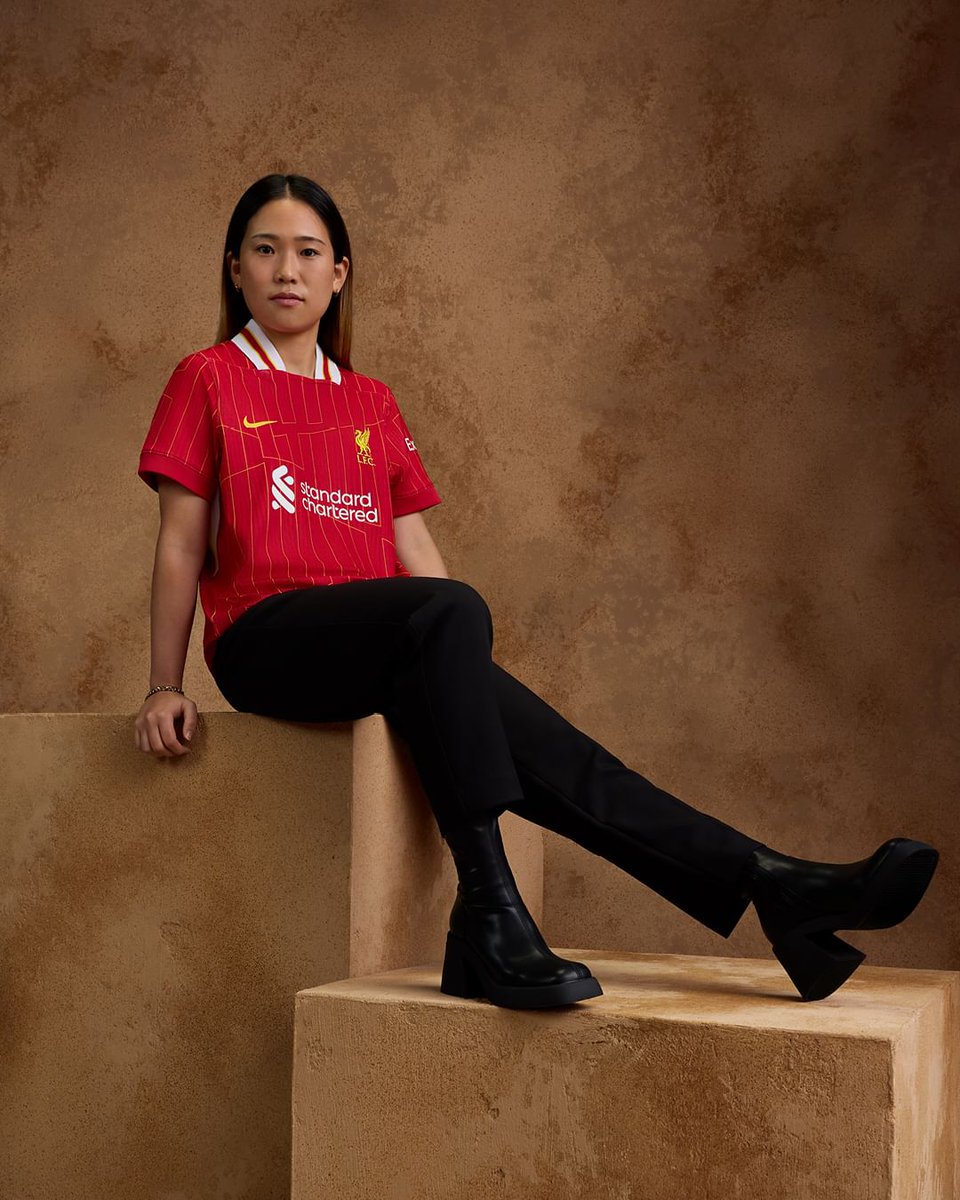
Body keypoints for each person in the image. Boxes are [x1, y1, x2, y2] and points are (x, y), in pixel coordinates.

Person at [133, 172, 939, 1010]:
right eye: (265, 250)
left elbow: (415, 550)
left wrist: (458, 681)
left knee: (572, 762)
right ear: (235, 269)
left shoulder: (371, 402)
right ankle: (489, 905)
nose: (286, 270)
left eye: (308, 252)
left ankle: (773, 885)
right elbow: (181, 543)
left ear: (341, 273)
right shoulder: (208, 377)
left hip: (381, 639)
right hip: (267, 638)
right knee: (453, 616)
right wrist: (165, 684)